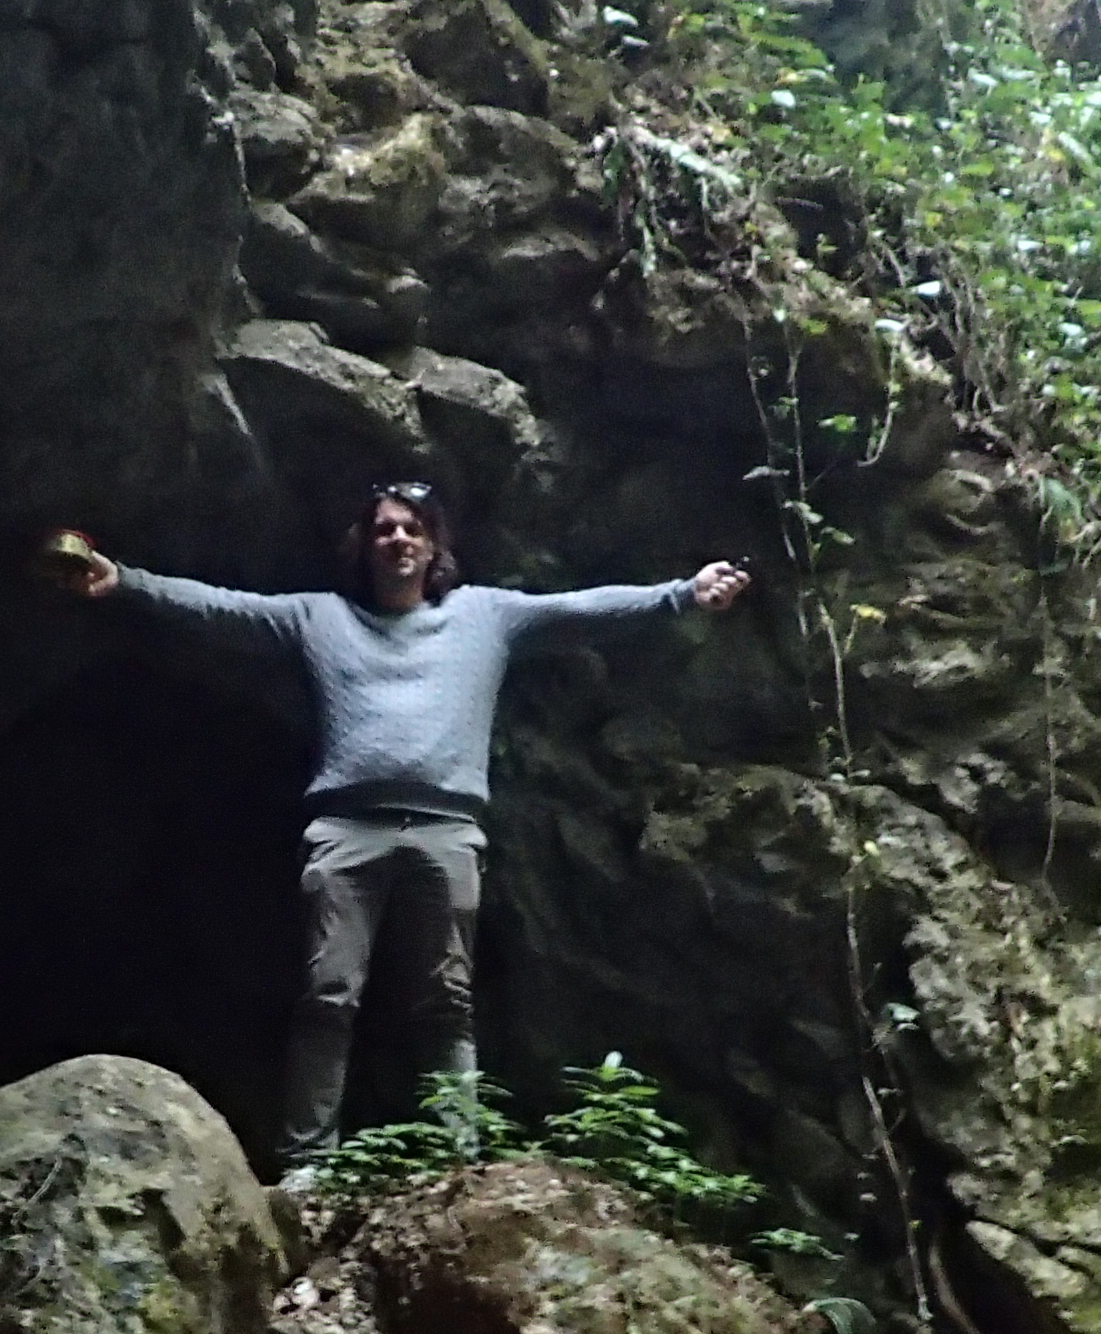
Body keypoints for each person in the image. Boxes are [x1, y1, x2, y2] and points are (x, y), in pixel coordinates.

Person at [45, 482, 750, 1180]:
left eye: (413, 528)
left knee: (447, 1002)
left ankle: (457, 1160)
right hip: (346, 829)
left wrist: (682, 594)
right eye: (384, 529)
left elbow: (580, 610)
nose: (399, 539)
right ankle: (308, 1165)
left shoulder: (483, 617)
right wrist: (125, 580)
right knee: (328, 996)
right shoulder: (319, 619)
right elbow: (224, 609)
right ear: (365, 546)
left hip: (446, 828)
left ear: (435, 546)